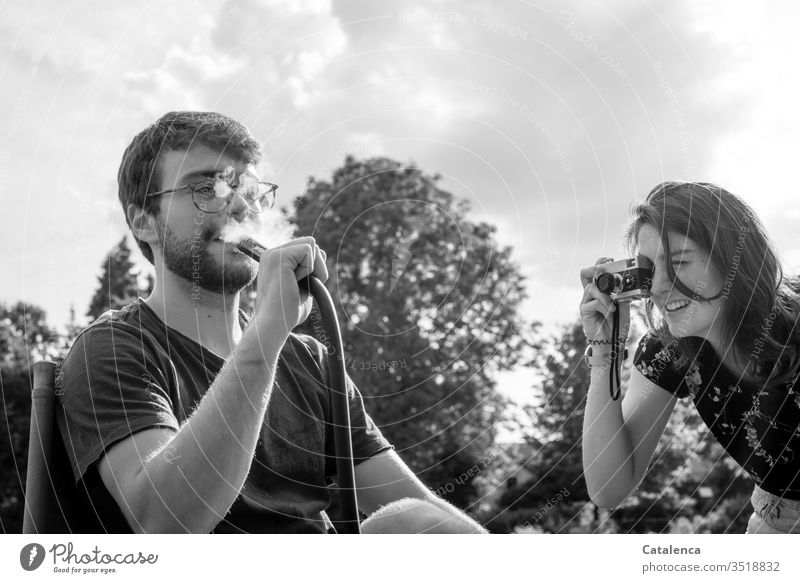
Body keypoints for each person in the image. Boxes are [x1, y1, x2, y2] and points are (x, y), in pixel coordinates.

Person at [56, 110, 486, 534]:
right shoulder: (114, 348)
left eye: (249, 189)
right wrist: (265, 338)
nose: (240, 204)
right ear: (143, 220)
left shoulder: (310, 361)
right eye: (208, 186)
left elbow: (415, 508)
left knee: (410, 522)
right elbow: (164, 522)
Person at [580, 181, 800, 534]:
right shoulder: (665, 351)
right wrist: (606, 351)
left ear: (734, 259)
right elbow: (608, 489)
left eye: (679, 262)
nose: (659, 287)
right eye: (649, 271)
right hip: (776, 521)